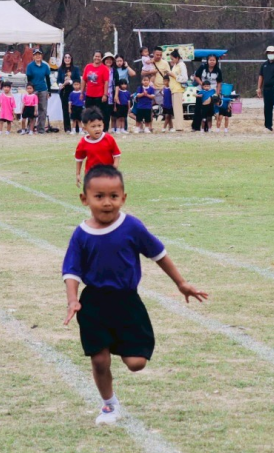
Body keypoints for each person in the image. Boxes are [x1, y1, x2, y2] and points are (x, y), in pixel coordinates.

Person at [62, 165, 207, 425]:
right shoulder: (81, 233)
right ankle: (109, 405)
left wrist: (181, 283)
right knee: (99, 359)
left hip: (127, 301)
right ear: (85, 199)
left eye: (114, 196)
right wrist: (73, 299)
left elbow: (158, 254)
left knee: (137, 362)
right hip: (93, 302)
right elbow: (71, 270)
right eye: (99, 196)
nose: (107, 203)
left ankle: (116, 343)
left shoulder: (131, 226)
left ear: (123, 198)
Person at [74, 107, 121, 187]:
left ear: (103, 124)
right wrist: (78, 174)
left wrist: (114, 169)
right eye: (93, 126)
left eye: (99, 125)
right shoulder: (83, 143)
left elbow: (117, 155)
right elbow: (79, 159)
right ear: (85, 128)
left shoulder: (109, 139)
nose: (97, 129)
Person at [192, 55, 223, 131]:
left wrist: (217, 93)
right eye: (210, 60)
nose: (212, 62)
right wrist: (202, 84)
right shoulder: (202, 67)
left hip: (211, 92)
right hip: (201, 90)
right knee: (198, 109)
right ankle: (195, 127)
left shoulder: (218, 70)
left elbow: (219, 83)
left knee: (209, 110)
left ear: (216, 61)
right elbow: (196, 77)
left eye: (213, 60)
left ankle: (207, 128)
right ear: (207, 61)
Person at [26, 49, 53, 133]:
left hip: (43, 89)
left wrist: (49, 91)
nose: (38, 56)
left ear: (42, 56)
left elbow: (48, 79)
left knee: (43, 109)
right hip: (34, 90)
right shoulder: (30, 66)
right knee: (31, 109)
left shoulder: (45, 66)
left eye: (39, 54)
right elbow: (29, 79)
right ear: (33, 56)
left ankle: (40, 129)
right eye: (36, 55)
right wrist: (30, 90)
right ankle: (30, 128)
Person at [57, 52, 82, 133]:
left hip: (74, 91)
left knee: (76, 108)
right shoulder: (61, 69)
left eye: (69, 57)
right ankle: (67, 128)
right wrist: (61, 84)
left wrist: (71, 81)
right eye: (65, 58)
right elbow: (58, 80)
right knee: (65, 109)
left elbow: (78, 79)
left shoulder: (76, 68)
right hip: (64, 91)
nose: (67, 59)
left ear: (71, 59)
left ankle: (77, 128)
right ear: (63, 59)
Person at [83, 51, 111, 118]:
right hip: (89, 95)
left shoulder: (104, 68)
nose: (97, 58)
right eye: (96, 56)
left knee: (99, 114)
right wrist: (82, 92)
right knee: (88, 113)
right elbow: (84, 80)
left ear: (101, 58)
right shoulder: (88, 66)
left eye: (99, 56)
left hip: (100, 96)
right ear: (93, 57)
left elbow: (106, 82)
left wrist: (105, 95)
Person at [168, 50, 188, 131]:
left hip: (178, 89)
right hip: (173, 89)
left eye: (172, 59)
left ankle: (179, 127)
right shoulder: (175, 65)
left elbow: (184, 78)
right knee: (175, 109)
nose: (171, 60)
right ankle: (178, 126)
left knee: (178, 108)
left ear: (177, 58)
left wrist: (174, 76)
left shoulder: (182, 65)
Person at [101, 52, 117, 131]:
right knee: (101, 111)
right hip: (100, 92)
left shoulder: (114, 71)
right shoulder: (101, 69)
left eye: (110, 60)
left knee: (108, 112)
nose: (109, 61)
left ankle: (106, 129)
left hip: (111, 93)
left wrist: (116, 95)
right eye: (107, 59)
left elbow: (116, 83)